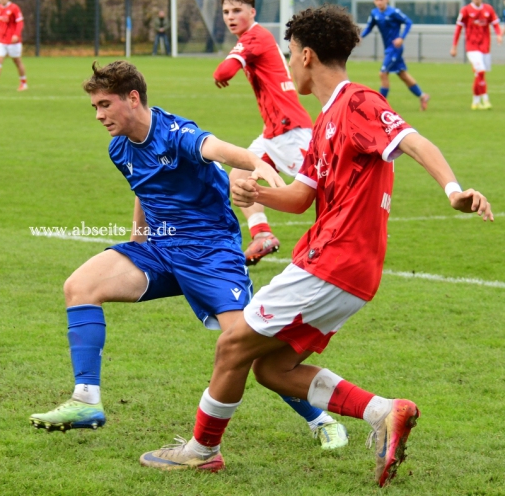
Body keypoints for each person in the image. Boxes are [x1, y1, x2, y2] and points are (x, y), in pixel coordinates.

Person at [140, 5, 493, 486]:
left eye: (288, 54)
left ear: (306, 55)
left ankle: (202, 450)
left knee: (232, 345)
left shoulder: (357, 102)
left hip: (333, 261)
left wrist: (454, 191)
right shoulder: (326, 121)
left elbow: (413, 140)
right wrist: (256, 193)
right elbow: (303, 197)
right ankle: (385, 413)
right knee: (274, 368)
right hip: (346, 268)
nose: (286, 65)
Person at [29, 60, 350, 450]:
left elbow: (219, 149)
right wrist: (137, 239)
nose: (99, 115)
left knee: (244, 348)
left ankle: (320, 419)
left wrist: (257, 164)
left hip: (210, 253)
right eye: (95, 107)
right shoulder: (119, 148)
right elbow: (143, 187)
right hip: (160, 249)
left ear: (133, 99)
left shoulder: (176, 134)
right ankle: (86, 400)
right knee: (79, 286)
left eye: (105, 105)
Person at [213, 0, 313, 265]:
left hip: (289, 129)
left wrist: (221, 74)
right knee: (238, 178)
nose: (230, 17)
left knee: (321, 187)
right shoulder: (252, 37)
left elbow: (224, 71)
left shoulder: (254, 37)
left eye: (237, 10)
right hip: (273, 132)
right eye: (225, 12)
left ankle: (343, 235)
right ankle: (262, 235)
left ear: (252, 11)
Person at [360, 0, 430, 110]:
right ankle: (423, 96)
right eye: (377, 0)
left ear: (386, 0)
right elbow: (369, 27)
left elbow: (408, 22)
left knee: (383, 73)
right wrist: (360, 37)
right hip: (388, 49)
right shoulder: (374, 13)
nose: (379, 2)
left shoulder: (393, 12)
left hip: (395, 48)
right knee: (402, 74)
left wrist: (401, 38)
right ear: (374, 1)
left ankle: (380, 105)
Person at [451, 0, 502, 110]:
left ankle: (475, 101)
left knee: (480, 75)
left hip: (485, 47)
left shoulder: (489, 9)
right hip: (472, 47)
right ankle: (486, 99)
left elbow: (495, 24)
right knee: (481, 70)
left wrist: (499, 35)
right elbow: (458, 29)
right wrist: (454, 46)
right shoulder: (465, 10)